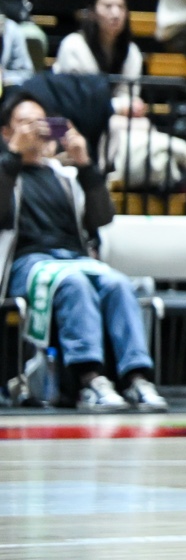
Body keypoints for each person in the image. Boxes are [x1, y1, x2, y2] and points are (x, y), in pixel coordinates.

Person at [1, 90, 166, 410]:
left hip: (73, 259)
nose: (35, 129)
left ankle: (136, 378)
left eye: (41, 122)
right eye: (25, 123)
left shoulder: (63, 175)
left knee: (118, 283)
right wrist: (12, 157)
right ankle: (90, 380)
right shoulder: (5, 172)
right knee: (73, 283)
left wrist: (85, 163)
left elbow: (102, 218)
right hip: (26, 264)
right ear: (6, 132)